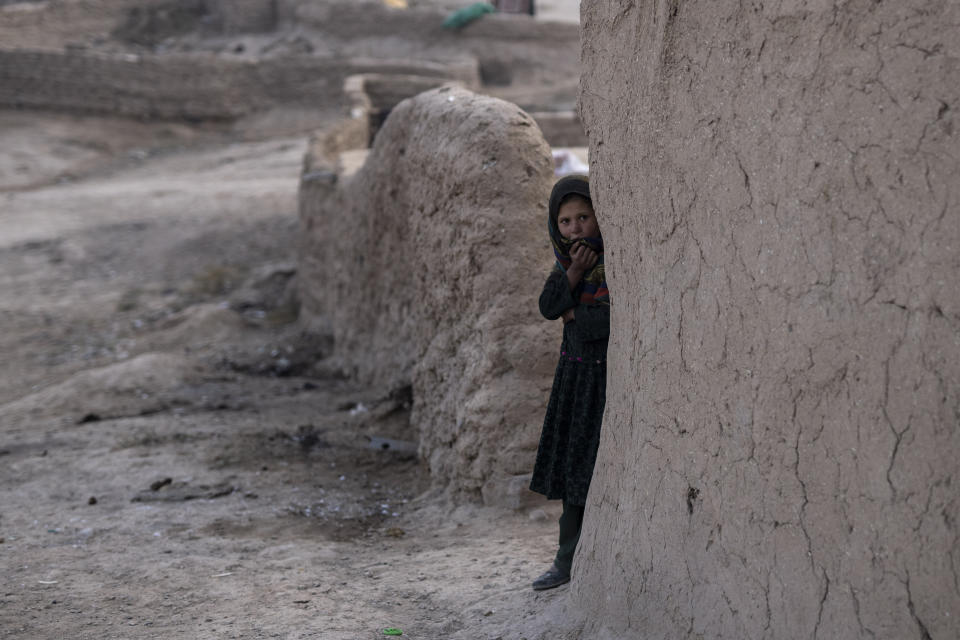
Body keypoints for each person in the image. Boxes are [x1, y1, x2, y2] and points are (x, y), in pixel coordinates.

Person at [529, 174, 609, 590]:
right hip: (574, 381)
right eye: (565, 221)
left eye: (584, 216)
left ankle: (579, 557)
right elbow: (548, 306)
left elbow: (609, 321)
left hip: (603, 382)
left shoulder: (612, 263)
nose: (575, 228)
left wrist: (576, 314)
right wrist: (575, 273)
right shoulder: (567, 265)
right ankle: (566, 560)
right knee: (574, 477)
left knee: (594, 472)